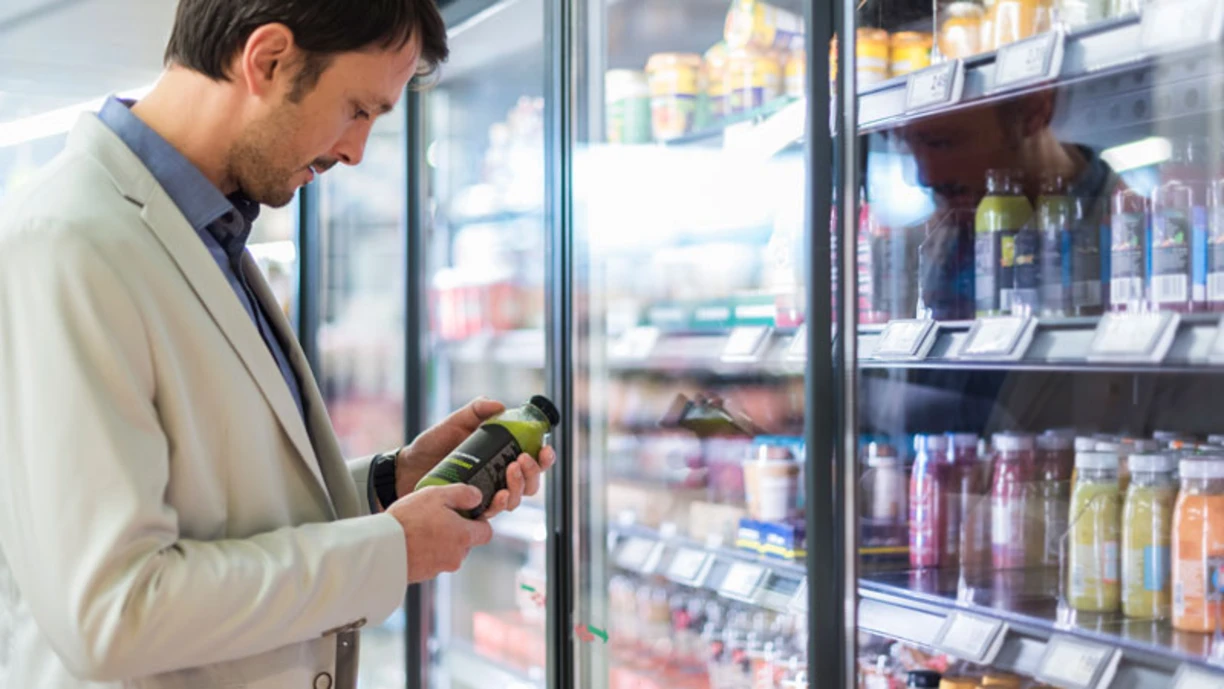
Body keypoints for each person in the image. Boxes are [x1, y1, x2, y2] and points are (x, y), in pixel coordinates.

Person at [0, 2, 556, 688]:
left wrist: (391, 483)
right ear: (267, 60)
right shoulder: (66, 242)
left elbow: (215, 508)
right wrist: (390, 550)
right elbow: (113, 611)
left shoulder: (208, 233)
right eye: (358, 108)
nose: (356, 151)